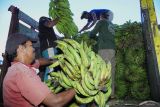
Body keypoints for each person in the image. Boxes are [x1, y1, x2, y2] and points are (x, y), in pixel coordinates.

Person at [3, 33, 75, 107]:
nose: (34, 49)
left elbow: (39, 62)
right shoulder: (21, 72)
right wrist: (79, 85)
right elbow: (56, 102)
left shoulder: (17, 67)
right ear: (21, 49)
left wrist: (54, 61)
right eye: (31, 46)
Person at [90, 11, 115, 99]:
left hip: (104, 49)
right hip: (112, 49)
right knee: (111, 71)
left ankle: (102, 95)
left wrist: (96, 38)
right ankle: (111, 94)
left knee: (102, 71)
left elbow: (92, 34)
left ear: (101, 16)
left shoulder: (101, 22)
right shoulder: (111, 24)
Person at [38, 16, 60, 81]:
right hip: (49, 49)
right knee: (51, 67)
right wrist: (59, 17)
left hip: (51, 49)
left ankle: (51, 86)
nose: (50, 21)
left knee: (53, 67)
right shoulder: (42, 20)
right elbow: (50, 24)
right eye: (49, 20)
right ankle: (48, 87)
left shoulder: (47, 30)